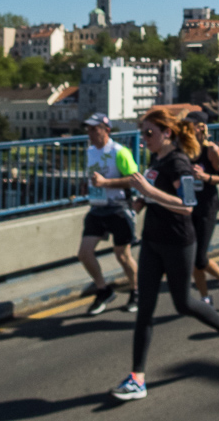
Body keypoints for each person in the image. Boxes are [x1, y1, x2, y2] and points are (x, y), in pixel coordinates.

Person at [111, 109, 219, 401]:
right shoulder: (155, 159)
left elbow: (186, 205)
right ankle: (137, 378)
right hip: (152, 241)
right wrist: (137, 203)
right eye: (142, 133)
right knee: (145, 309)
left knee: (182, 303)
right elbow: (151, 191)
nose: (144, 139)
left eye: (149, 133)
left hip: (179, 242)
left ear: (166, 133)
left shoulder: (179, 162)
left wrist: (148, 190)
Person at [78, 113, 140, 315]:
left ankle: (136, 291)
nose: (90, 134)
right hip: (97, 208)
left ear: (107, 130)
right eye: (88, 130)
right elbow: (91, 175)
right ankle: (103, 290)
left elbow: (134, 179)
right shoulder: (90, 152)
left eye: (94, 130)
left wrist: (106, 183)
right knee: (84, 253)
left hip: (118, 207)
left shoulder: (119, 152)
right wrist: (86, 185)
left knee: (122, 255)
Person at [186, 111, 219, 307]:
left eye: (189, 125)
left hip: (207, 206)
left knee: (200, 257)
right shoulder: (183, 149)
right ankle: (205, 297)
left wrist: (204, 177)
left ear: (199, 127)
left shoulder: (211, 150)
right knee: (192, 257)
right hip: (189, 206)